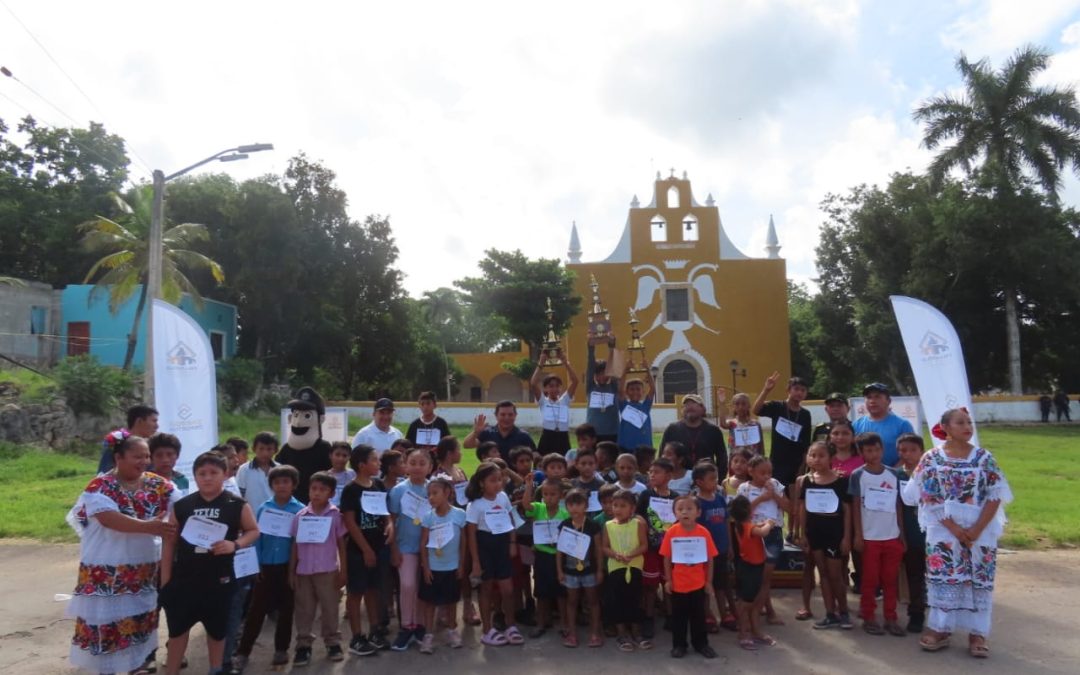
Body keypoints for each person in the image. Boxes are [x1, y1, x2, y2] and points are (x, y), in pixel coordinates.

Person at [68, 433, 175, 674]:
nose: (144, 461)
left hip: (141, 574)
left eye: (146, 456)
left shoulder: (157, 484)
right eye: (137, 456)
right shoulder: (100, 486)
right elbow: (108, 518)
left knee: (136, 629)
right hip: (106, 572)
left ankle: (134, 667)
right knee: (107, 630)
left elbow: (181, 504)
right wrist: (149, 526)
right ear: (118, 457)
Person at [910, 408, 1012, 658]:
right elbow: (928, 496)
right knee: (945, 577)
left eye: (969, 422)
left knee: (979, 580)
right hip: (944, 531)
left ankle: (977, 633)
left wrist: (976, 529)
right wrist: (955, 529)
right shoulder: (931, 458)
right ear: (945, 427)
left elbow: (995, 494)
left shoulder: (984, 458)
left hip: (980, 531)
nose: (967, 426)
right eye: (960, 422)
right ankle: (940, 629)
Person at [160, 451, 259, 675]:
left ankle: (216, 669)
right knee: (177, 633)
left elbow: (253, 531)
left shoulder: (237, 504)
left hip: (220, 582)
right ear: (194, 476)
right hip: (184, 582)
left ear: (225, 474)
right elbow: (169, 544)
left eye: (213, 472)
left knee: (217, 633)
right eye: (201, 473)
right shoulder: (182, 506)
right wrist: (166, 581)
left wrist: (234, 545)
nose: (207, 477)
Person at [232, 465, 303, 672]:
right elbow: (256, 538)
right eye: (277, 482)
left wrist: (293, 570)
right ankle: (243, 652)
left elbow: (298, 543)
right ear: (271, 485)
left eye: (286, 482)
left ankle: (281, 650)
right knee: (256, 611)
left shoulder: (299, 510)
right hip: (265, 568)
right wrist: (256, 566)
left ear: (294, 485)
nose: (281, 486)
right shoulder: (264, 508)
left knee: (286, 611)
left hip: (287, 569)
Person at [849, 432, 906, 637]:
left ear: (882, 450)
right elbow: (855, 506)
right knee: (870, 580)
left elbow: (898, 505)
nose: (873, 454)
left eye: (876, 449)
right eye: (868, 451)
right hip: (870, 537)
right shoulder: (858, 475)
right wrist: (858, 535)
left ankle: (891, 617)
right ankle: (869, 616)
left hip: (891, 535)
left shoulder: (894, 474)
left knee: (890, 580)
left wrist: (901, 534)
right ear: (862, 453)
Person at [289, 471, 348, 666]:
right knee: (304, 610)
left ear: (331, 494)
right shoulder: (300, 516)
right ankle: (303, 645)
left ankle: (332, 642)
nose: (317, 493)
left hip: (328, 571)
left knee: (330, 608)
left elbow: (341, 544)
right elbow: (295, 545)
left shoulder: (335, 515)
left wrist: (343, 571)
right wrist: (292, 571)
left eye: (322, 490)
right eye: (314, 489)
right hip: (304, 571)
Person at [340, 444, 394, 656]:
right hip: (358, 551)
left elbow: (385, 512)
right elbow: (350, 522)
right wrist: (366, 550)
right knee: (356, 593)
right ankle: (356, 637)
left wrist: (389, 524)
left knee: (373, 591)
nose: (379, 463)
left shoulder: (378, 485)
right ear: (362, 465)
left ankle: (374, 632)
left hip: (379, 547)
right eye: (374, 460)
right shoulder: (351, 490)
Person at [466, 462, 525, 646]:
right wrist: (475, 561)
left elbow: (511, 519)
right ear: (482, 483)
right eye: (493, 480)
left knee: (507, 589)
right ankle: (487, 631)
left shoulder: (503, 497)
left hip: (502, 545)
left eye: (500, 479)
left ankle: (510, 626)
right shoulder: (475, 505)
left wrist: (513, 542)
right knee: (486, 589)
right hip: (484, 547)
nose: (498, 484)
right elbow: (471, 535)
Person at [797, 442, 853, 630]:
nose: (816, 459)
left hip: (834, 534)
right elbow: (802, 509)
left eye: (821, 455)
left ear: (830, 458)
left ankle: (843, 612)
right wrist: (803, 534)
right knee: (822, 573)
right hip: (814, 533)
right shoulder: (806, 481)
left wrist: (847, 537)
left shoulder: (840, 480)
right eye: (812, 455)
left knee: (835, 575)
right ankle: (830, 614)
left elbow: (847, 510)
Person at [660, 494, 719, 659]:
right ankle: (679, 645)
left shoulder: (703, 532)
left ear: (698, 512)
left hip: (698, 584)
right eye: (680, 509)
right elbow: (666, 558)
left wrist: (708, 581)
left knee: (699, 616)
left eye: (689, 509)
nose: (685, 512)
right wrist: (668, 580)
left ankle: (701, 644)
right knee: (678, 618)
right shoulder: (672, 532)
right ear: (674, 513)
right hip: (678, 584)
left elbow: (710, 559)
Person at [388, 446, 434, 651]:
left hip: (430, 548)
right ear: (406, 465)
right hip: (405, 547)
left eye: (422, 463)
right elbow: (392, 520)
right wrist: (394, 549)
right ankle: (407, 626)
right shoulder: (398, 491)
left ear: (430, 467)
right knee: (407, 585)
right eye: (412, 463)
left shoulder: (434, 488)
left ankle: (421, 626)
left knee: (424, 587)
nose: (417, 468)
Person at [735, 455, 789, 625]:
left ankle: (758, 614)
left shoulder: (776, 485)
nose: (767, 476)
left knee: (766, 576)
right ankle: (758, 613)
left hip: (772, 533)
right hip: (753, 534)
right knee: (755, 577)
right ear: (751, 471)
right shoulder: (744, 488)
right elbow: (740, 514)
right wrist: (761, 499)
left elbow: (789, 507)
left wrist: (775, 496)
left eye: (769, 472)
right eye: (762, 473)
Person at [418, 477, 468, 653]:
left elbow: (463, 542)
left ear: (447, 493)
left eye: (435, 493)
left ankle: (452, 631)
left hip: (452, 567)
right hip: (433, 568)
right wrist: (425, 568)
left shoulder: (459, 515)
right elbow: (423, 544)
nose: (431, 497)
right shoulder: (427, 517)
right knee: (430, 602)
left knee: (451, 601)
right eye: (429, 494)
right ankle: (428, 635)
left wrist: (461, 564)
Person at [520, 477, 570, 639]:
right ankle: (541, 622)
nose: (549, 497)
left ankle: (564, 623)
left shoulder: (565, 513)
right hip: (542, 556)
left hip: (559, 556)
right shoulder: (539, 508)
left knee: (561, 593)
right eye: (546, 494)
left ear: (561, 496)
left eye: (553, 494)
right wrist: (528, 487)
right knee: (541, 592)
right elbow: (526, 505)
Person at [601, 488, 649, 651]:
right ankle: (622, 633)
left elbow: (644, 545)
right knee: (617, 599)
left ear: (632, 508)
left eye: (623, 506)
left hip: (634, 566)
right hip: (616, 567)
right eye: (615, 505)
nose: (618, 509)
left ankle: (636, 632)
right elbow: (605, 547)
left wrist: (630, 554)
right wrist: (615, 555)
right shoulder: (608, 525)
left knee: (634, 598)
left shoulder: (638, 524)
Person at [556, 488, 605, 648]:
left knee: (593, 602)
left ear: (586, 506)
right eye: (570, 504)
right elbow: (559, 551)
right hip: (570, 571)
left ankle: (595, 634)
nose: (574, 508)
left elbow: (598, 550)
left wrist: (599, 571)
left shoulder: (593, 525)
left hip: (589, 570)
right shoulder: (564, 524)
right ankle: (572, 634)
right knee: (572, 602)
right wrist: (560, 571)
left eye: (578, 504)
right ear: (566, 506)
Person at [693, 461, 737, 633]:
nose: (716, 482)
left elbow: (726, 522)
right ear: (699, 482)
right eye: (712, 479)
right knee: (706, 585)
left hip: (722, 549)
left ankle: (725, 614)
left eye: (716, 478)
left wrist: (730, 545)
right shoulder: (696, 503)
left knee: (723, 584)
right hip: (704, 553)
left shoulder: (719, 498)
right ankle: (707, 614)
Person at [636, 457, 677, 638]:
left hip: (669, 550)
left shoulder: (675, 497)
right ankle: (648, 617)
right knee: (650, 586)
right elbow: (637, 516)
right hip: (651, 549)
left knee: (668, 583)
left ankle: (671, 616)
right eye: (650, 472)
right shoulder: (646, 495)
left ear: (669, 476)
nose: (652, 475)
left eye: (657, 472)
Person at [729, 495, 776, 651]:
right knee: (746, 604)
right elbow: (762, 532)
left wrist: (762, 524)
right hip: (751, 568)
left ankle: (756, 632)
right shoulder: (749, 527)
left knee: (754, 603)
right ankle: (743, 634)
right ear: (748, 511)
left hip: (750, 566)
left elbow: (756, 529)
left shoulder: (741, 525)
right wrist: (769, 523)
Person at [752, 372, 812, 489]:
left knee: (793, 496)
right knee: (775, 493)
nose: (799, 392)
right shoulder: (777, 407)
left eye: (803, 390)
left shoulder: (805, 414)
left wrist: (802, 467)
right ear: (788, 390)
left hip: (796, 463)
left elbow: (806, 444)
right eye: (796, 389)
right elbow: (756, 410)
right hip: (777, 461)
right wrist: (766, 390)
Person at [896, 432, 927, 634]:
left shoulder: (931, 472)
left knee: (934, 575)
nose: (908, 454)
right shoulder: (896, 474)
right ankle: (916, 613)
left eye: (913, 450)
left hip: (934, 532)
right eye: (903, 450)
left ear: (922, 452)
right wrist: (901, 534)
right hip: (910, 531)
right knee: (913, 573)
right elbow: (896, 506)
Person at [660, 394, 728, 475]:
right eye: (686, 405)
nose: (690, 406)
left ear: (703, 409)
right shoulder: (672, 429)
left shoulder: (714, 430)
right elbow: (662, 456)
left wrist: (718, 479)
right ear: (682, 410)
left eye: (694, 403)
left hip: (705, 478)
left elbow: (722, 458)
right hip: (679, 478)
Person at [853, 383, 915, 467]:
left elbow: (910, 454)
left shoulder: (902, 425)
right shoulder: (857, 424)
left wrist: (892, 473)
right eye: (869, 397)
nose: (872, 401)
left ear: (888, 401)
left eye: (877, 397)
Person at [530, 355, 580, 455]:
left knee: (564, 467)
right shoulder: (543, 401)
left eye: (557, 386)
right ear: (545, 389)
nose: (554, 389)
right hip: (547, 437)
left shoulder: (565, 400)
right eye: (551, 386)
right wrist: (541, 362)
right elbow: (533, 383)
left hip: (563, 438)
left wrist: (565, 362)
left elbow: (575, 381)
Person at [463, 401, 537, 462]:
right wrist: (475, 432)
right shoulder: (487, 433)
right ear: (496, 415)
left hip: (515, 477)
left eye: (510, 415)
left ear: (515, 415)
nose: (506, 418)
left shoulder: (523, 436)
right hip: (490, 476)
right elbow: (467, 445)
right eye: (503, 414)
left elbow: (535, 455)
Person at [96, 404, 159, 474]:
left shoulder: (151, 443)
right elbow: (105, 469)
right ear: (139, 421)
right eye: (154, 421)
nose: (157, 426)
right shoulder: (117, 439)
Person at [585, 334, 620, 443]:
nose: (601, 377)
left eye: (604, 374)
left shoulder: (613, 387)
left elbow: (614, 366)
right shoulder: (591, 387)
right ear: (595, 376)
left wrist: (612, 347)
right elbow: (590, 367)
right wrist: (591, 348)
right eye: (598, 374)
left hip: (612, 432)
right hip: (593, 434)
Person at [236, 431, 279, 510]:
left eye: (269, 449)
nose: (265, 453)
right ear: (254, 449)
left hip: (275, 516)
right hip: (252, 517)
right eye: (261, 449)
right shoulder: (244, 470)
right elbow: (239, 496)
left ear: (276, 450)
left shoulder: (280, 469)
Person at [617, 369, 655, 453]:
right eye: (632, 389)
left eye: (638, 389)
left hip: (645, 447)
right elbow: (620, 391)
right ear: (626, 392)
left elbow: (652, 389)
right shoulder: (624, 406)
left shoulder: (646, 406)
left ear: (643, 392)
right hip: (626, 447)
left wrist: (648, 370)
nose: (635, 392)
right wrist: (625, 371)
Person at [329, 441, 356, 506]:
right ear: (330, 455)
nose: (340, 458)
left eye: (344, 456)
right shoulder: (325, 476)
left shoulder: (354, 475)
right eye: (337, 455)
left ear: (349, 457)